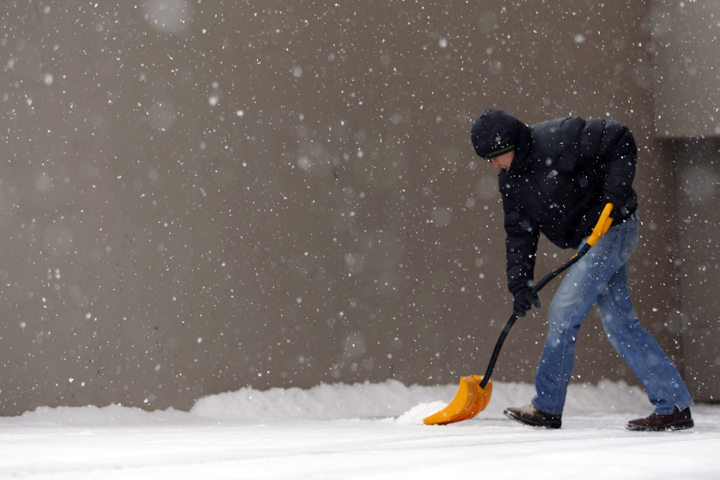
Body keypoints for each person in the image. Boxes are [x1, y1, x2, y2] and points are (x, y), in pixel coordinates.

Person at [470, 108, 694, 431]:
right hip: (588, 240)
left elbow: (620, 138)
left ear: (510, 142)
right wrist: (519, 284)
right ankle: (672, 404)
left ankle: (546, 407)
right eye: (487, 159)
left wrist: (614, 195)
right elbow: (520, 233)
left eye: (495, 156)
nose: (493, 165)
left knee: (563, 313)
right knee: (621, 324)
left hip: (612, 228)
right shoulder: (511, 182)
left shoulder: (558, 139)